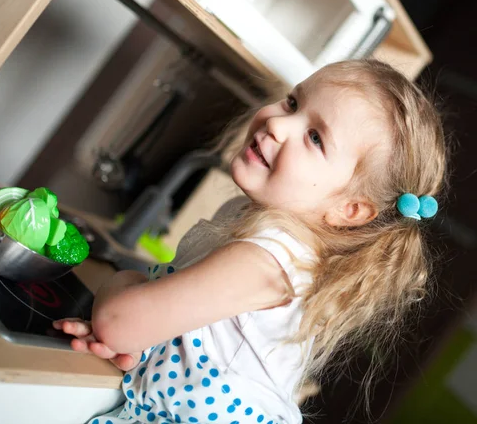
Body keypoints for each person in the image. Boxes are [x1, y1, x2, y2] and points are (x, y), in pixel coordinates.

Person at [54, 59, 446, 424]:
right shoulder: (256, 225)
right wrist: (139, 333)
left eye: (314, 137)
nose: (278, 125)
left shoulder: (269, 262)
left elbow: (118, 322)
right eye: (293, 102)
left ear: (349, 210)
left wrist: (126, 285)